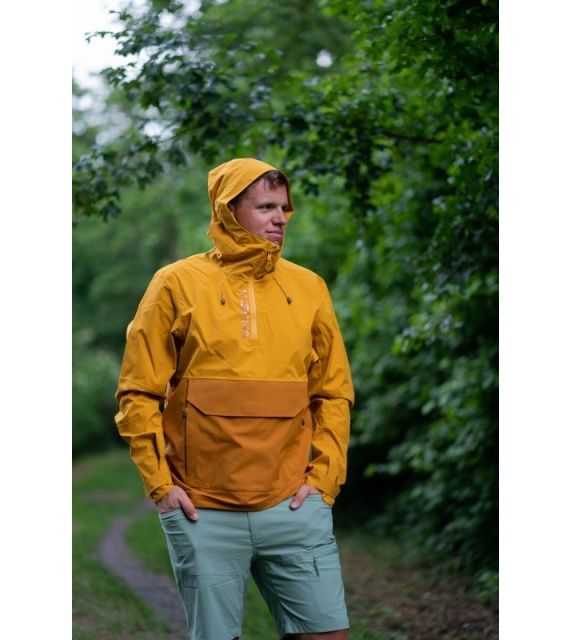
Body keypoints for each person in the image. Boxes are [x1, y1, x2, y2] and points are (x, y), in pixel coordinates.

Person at [115, 157, 355, 640]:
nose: (281, 218)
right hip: (202, 510)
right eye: (266, 207)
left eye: (284, 208)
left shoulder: (309, 287)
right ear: (228, 210)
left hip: (293, 505)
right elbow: (137, 392)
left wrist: (325, 480)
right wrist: (161, 486)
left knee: (327, 634)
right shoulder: (175, 282)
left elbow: (332, 391)